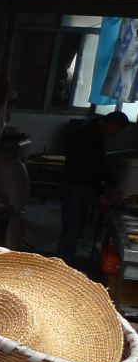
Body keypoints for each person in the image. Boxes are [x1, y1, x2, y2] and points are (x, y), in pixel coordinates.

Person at [57, 110, 129, 264]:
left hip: (79, 184)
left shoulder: (94, 131)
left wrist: (102, 188)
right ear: (111, 124)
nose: (116, 134)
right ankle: (62, 263)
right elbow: (97, 164)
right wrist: (112, 185)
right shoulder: (89, 135)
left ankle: (65, 260)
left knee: (75, 227)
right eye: (117, 129)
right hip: (76, 185)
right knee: (72, 228)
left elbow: (97, 165)